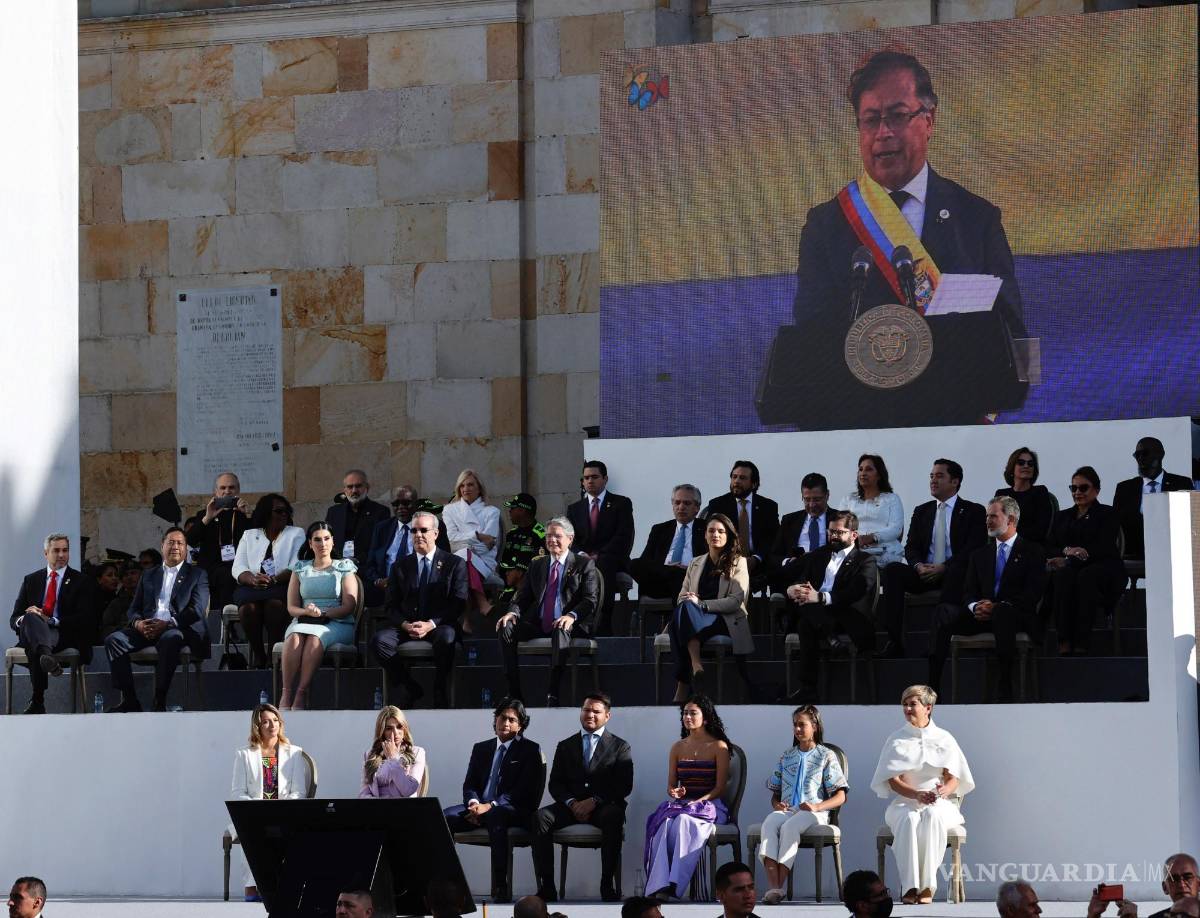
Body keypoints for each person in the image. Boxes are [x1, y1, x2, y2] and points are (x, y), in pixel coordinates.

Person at [791, 48, 1025, 338]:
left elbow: (1012, 338)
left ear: (929, 121)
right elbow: (811, 342)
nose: (883, 132)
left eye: (897, 116)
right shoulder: (826, 226)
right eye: (871, 119)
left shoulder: (977, 220)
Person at [928, 496, 1046, 700]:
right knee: (944, 613)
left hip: (1015, 617)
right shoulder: (980, 554)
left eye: (993, 516)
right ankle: (932, 686)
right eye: (986, 516)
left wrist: (998, 606)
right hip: (982, 617)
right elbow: (968, 592)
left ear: (1011, 520)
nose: (987, 521)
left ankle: (1005, 685)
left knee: (1002, 612)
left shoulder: (1033, 552)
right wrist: (975, 606)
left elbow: (1032, 594)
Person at [871, 685, 974, 904]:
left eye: (913, 704)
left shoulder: (944, 738)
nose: (908, 708)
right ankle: (910, 887)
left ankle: (927, 886)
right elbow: (893, 781)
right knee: (909, 819)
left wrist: (945, 790)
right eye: (905, 704)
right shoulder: (896, 739)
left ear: (928, 708)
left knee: (932, 817)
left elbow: (953, 777)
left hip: (939, 803)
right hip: (905, 801)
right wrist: (916, 794)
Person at [878, 459, 986, 658]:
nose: (933, 481)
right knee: (892, 570)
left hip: (953, 574)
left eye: (939, 476)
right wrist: (919, 566)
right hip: (924, 572)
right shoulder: (922, 511)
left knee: (958, 570)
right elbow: (911, 547)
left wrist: (944, 567)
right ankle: (894, 641)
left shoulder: (974, 511)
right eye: (931, 476)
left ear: (955, 481)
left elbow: (974, 549)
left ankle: (937, 643)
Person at [531, 693, 634, 902]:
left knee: (614, 816)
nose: (590, 715)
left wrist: (594, 800)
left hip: (603, 806)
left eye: (596, 711)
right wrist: (572, 803)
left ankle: (607, 886)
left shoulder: (620, 746)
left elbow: (623, 785)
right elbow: (555, 784)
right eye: (586, 710)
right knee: (540, 817)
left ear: (607, 716)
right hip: (571, 807)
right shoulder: (566, 745)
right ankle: (547, 887)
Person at [443, 699, 544, 903]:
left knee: (496, 815)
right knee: (444, 816)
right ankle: (447, 885)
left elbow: (522, 790)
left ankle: (501, 885)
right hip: (478, 807)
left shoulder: (530, 750)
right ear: (495, 720)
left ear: (521, 725)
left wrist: (490, 806)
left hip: (511, 810)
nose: (506, 722)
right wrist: (473, 803)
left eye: (512, 719)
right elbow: (470, 783)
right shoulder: (481, 748)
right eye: (502, 717)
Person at [496, 517, 600, 706]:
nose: (552, 540)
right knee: (506, 627)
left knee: (561, 629)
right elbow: (522, 596)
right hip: (539, 623)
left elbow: (589, 600)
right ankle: (514, 693)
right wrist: (512, 612)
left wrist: (571, 616)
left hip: (570, 625)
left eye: (557, 536)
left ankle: (553, 692)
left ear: (570, 538)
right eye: (549, 536)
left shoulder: (583, 564)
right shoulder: (537, 564)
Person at [105, 527, 210, 712]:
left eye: (180, 543)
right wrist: (138, 623)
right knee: (114, 640)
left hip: (177, 627)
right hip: (148, 627)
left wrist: (168, 623)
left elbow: (197, 610)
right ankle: (130, 700)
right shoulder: (149, 574)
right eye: (171, 542)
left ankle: (159, 699)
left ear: (186, 549)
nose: (175, 547)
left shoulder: (197, 574)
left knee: (171, 639)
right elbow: (134, 609)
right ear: (162, 546)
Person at [371, 510, 467, 708]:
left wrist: (431, 624)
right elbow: (390, 606)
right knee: (379, 641)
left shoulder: (454, 563)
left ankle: (440, 688)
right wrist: (405, 625)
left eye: (423, 530)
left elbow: (458, 604)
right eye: (414, 530)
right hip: (407, 625)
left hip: (439, 625)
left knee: (447, 639)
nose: (418, 535)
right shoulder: (400, 565)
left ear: (436, 534)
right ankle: (408, 686)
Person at [756, 705, 848, 904]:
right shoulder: (787, 756)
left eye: (802, 725)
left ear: (814, 726)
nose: (797, 729)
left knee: (790, 827)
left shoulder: (826, 755)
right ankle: (775, 888)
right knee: (769, 823)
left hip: (815, 813)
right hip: (790, 810)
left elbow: (840, 796)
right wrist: (777, 805)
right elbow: (775, 794)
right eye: (794, 725)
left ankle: (776, 888)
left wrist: (817, 807)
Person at [644, 695, 732, 901]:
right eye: (685, 713)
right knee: (664, 823)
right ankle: (659, 885)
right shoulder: (677, 747)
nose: (687, 717)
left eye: (693, 713)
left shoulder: (719, 747)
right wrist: (675, 793)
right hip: (683, 804)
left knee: (683, 821)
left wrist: (700, 801)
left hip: (710, 805)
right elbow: (671, 785)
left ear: (706, 718)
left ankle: (675, 885)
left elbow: (720, 788)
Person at [784, 510, 878, 701]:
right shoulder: (820, 554)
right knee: (803, 608)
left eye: (839, 532)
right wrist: (793, 589)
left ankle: (808, 687)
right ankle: (830, 638)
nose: (833, 536)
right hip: (818, 612)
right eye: (831, 532)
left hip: (846, 615)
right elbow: (802, 579)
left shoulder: (865, 560)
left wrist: (820, 597)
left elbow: (855, 592)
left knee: (806, 620)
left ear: (854, 535)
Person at [666, 514, 751, 704]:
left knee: (678, 623)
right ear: (705, 535)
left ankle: (683, 683)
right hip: (695, 617)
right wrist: (691, 602)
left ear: (728, 536)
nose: (716, 535)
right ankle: (696, 666)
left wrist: (702, 604)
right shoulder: (695, 562)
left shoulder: (739, 562)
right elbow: (682, 595)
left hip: (724, 620)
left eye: (721, 531)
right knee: (684, 608)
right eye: (711, 531)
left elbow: (735, 601)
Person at [9, 533, 97, 715]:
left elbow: (85, 618)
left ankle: (37, 700)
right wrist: (26, 618)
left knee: (37, 642)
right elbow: (14, 618)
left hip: (63, 634)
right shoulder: (31, 580)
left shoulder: (82, 581)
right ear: (45, 553)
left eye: (65, 550)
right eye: (56, 550)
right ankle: (46, 656)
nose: (61, 555)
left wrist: (51, 620)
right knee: (31, 618)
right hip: (35, 631)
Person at [230, 703, 308, 900]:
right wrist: (258, 808)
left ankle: (275, 887)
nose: (271, 725)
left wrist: (279, 809)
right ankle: (252, 886)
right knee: (251, 827)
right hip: (255, 813)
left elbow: (299, 792)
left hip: (285, 813)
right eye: (265, 721)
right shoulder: (244, 754)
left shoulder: (295, 752)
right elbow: (238, 792)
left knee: (277, 828)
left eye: (275, 720)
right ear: (257, 726)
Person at [279, 521, 359, 710]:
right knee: (294, 637)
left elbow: (350, 605)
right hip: (305, 618)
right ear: (310, 543)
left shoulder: (344, 567)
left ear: (333, 542)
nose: (322, 544)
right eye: (317, 539)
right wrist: (307, 612)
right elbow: (292, 607)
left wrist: (323, 614)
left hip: (337, 621)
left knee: (315, 638)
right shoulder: (300, 568)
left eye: (326, 539)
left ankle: (301, 693)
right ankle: (286, 692)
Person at [1045, 466, 1124, 656]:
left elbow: (1104, 547)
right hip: (1070, 568)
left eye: (1083, 488)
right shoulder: (1061, 516)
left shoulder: (1108, 514)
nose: (1077, 492)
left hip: (1103, 567)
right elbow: (1049, 545)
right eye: (1073, 488)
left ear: (1096, 490)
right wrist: (1067, 551)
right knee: (1063, 577)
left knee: (1086, 577)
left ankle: (1082, 641)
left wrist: (1071, 560)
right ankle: (1063, 640)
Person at [231, 494, 306, 668]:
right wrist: (252, 579)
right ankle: (259, 655)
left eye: (286, 511)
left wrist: (273, 580)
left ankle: (273, 652)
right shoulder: (249, 535)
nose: (284, 514)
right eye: (279, 511)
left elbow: (297, 565)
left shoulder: (296, 533)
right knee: (247, 609)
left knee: (274, 604)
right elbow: (238, 567)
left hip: (281, 585)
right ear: (266, 513)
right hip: (252, 587)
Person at [566, 460, 636, 635]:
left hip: (611, 559)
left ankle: (603, 622)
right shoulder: (574, 509)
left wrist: (599, 555)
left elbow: (624, 536)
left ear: (605, 479)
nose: (590, 481)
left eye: (595, 477)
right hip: (583, 560)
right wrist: (582, 554)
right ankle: (575, 620)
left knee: (604, 563)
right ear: (582, 481)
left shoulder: (621, 503)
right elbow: (570, 540)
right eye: (586, 478)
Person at [364, 485, 451, 604]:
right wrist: (378, 581)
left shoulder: (433, 526)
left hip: (420, 588)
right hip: (386, 590)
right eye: (396, 504)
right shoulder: (382, 528)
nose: (401, 507)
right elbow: (370, 564)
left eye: (406, 503)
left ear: (416, 504)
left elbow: (444, 560)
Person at [703, 461, 779, 593]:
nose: (736, 481)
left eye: (742, 478)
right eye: (734, 477)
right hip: (727, 561)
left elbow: (773, 538)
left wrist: (756, 559)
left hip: (759, 563)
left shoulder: (768, 506)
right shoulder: (718, 504)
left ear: (754, 484)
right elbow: (712, 538)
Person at [1113, 437, 1193, 561]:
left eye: (1145, 453)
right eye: (1137, 455)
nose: (1140, 459)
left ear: (1160, 455)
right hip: (1134, 554)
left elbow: (1189, 521)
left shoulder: (1181, 484)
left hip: (1171, 552)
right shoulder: (1125, 489)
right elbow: (1116, 527)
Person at [183, 471, 250, 610]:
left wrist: (245, 515)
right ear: (216, 491)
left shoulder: (243, 515)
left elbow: (257, 542)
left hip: (238, 568)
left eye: (231, 488)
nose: (227, 491)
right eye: (223, 488)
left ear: (238, 490)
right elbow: (189, 541)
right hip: (210, 569)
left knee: (229, 575)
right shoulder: (204, 514)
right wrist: (207, 518)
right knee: (224, 576)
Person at [443, 468, 503, 617]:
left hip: (485, 561)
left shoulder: (492, 512)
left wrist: (466, 543)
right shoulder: (449, 510)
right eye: (462, 486)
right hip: (458, 559)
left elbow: (487, 546)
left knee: (465, 554)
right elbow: (450, 540)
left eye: (470, 485)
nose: (465, 489)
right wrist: (477, 535)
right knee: (464, 556)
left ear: (479, 489)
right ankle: (482, 603)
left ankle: (467, 619)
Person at [632, 484, 707, 600]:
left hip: (690, 581)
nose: (681, 507)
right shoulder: (659, 529)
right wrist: (667, 569)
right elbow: (645, 560)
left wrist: (686, 569)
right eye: (677, 503)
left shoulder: (706, 529)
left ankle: (679, 614)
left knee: (678, 575)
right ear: (672, 505)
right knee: (634, 564)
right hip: (660, 582)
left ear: (697, 507)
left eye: (686, 503)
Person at [769, 473, 833, 594]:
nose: (812, 505)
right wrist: (788, 561)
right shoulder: (790, 520)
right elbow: (774, 556)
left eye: (817, 499)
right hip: (795, 578)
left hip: (828, 577)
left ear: (827, 495)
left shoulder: (838, 519)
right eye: (807, 499)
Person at [842, 455, 905, 568]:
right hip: (855, 552)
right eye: (860, 469)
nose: (863, 473)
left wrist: (872, 537)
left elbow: (896, 529)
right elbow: (842, 527)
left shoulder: (892, 499)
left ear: (879, 475)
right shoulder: (849, 499)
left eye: (869, 469)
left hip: (884, 553)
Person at [325, 468, 390, 567]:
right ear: (344, 490)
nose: (354, 490)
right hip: (337, 568)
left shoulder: (380, 512)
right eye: (350, 487)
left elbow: (382, 545)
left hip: (367, 569)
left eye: (358, 486)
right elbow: (327, 541)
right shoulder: (334, 512)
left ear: (367, 487)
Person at [359, 705, 426, 798]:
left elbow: (409, 790)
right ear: (382, 731)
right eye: (389, 728)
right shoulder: (370, 755)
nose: (395, 733)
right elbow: (363, 794)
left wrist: (393, 758)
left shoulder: (417, 752)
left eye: (399, 727)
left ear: (405, 728)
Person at [993, 447, 1055, 545]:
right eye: (1021, 462)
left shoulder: (1040, 492)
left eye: (1030, 464)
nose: (1026, 466)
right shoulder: (1001, 494)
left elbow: (1040, 530)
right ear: (1012, 467)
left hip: (1030, 548)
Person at [495, 493, 547, 608]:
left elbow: (540, 566)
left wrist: (519, 572)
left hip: (528, 591)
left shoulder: (541, 535)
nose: (509, 511)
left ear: (522, 510)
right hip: (505, 588)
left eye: (512, 508)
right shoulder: (510, 534)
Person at [100, 561, 142, 638]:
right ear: (121, 580)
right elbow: (105, 630)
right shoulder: (116, 604)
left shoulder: (152, 599)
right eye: (125, 575)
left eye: (133, 573)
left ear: (141, 576)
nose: (129, 577)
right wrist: (124, 628)